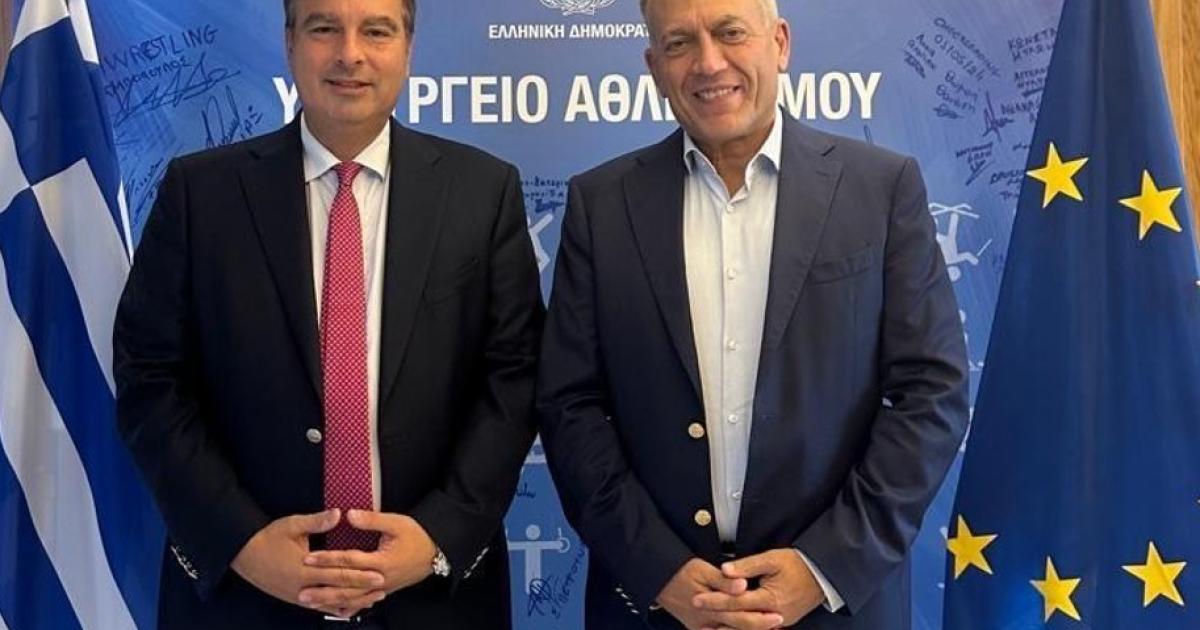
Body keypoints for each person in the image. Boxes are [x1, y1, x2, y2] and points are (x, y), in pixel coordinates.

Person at [535, 0, 969, 628]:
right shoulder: (601, 203)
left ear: (780, 42)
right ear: (654, 67)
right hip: (657, 608)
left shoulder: (882, 188)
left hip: (834, 606)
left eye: (730, 32)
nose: (709, 63)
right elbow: (569, 405)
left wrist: (823, 565)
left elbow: (932, 393)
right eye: (679, 44)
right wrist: (656, 568)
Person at [114, 0, 543, 628]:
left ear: (408, 49)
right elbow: (150, 380)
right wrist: (240, 541)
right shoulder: (200, 194)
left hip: (432, 599)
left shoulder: (483, 191)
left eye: (376, 31)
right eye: (323, 29)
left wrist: (439, 534)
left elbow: (515, 379)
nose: (350, 54)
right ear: (290, 42)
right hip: (246, 599)